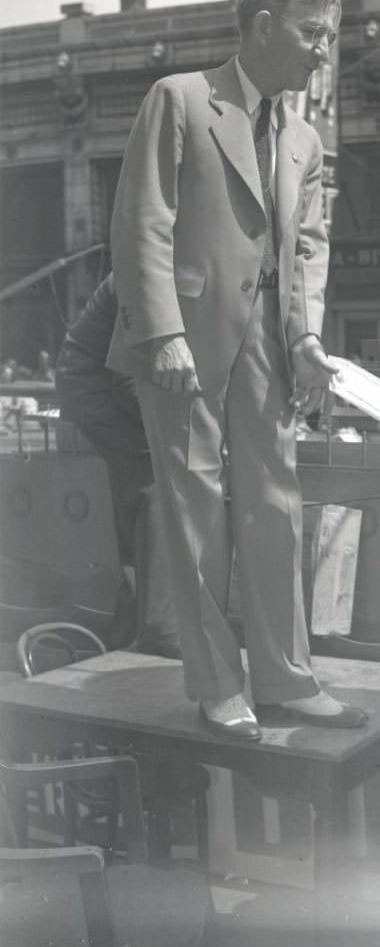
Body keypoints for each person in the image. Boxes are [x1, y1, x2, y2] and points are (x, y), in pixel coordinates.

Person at [106, 0, 366, 739]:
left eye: (329, 36)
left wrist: (310, 340)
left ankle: (285, 680)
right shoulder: (180, 100)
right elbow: (141, 222)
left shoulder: (305, 140)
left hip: (270, 346)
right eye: (311, 33)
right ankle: (218, 685)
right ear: (262, 25)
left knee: (277, 510)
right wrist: (160, 334)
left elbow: (307, 250)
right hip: (179, 343)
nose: (323, 52)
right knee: (194, 518)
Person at [56, 273, 180, 658]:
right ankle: (158, 631)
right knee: (154, 483)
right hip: (93, 391)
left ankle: (133, 630)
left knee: (145, 499)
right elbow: (126, 387)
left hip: (108, 387)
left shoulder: (173, 269)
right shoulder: (148, 276)